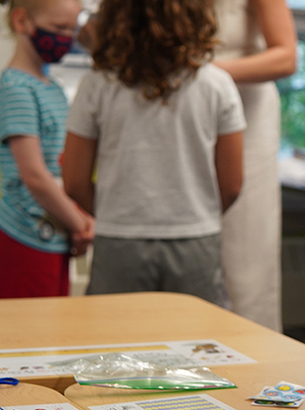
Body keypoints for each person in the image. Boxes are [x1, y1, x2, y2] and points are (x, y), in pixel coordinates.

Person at [60, 0, 245, 306]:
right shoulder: (218, 85)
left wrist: (114, 211)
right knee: (196, 344)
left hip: (119, 239)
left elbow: (74, 180)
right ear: (199, 15)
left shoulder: (97, 84)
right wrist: (194, 212)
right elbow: (233, 184)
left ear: (115, 16)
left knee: (114, 345)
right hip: (196, 238)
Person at [212, 0, 297, 331]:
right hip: (182, 112)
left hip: (247, 117)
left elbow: (286, 56)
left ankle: (257, 361)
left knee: (245, 257)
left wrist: (202, 73)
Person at [0, 0, 93, 298]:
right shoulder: (15, 88)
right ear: (21, 21)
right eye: (58, 28)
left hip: (56, 231)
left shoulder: (52, 87)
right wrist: (80, 223)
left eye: (71, 28)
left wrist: (76, 219)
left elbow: (60, 164)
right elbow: (35, 175)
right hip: (23, 235)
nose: (67, 37)